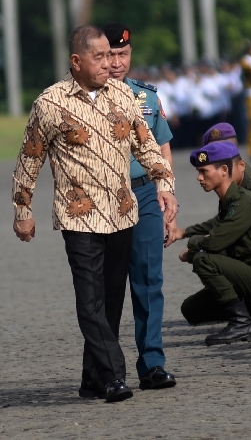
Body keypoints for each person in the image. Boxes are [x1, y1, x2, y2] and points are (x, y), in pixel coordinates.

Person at [12, 25, 177, 402]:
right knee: (90, 301)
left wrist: (164, 186)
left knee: (111, 300)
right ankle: (114, 375)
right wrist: (23, 209)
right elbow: (29, 160)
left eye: (112, 55)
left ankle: (92, 379)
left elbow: (147, 146)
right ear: (76, 61)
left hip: (122, 212)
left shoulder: (123, 94)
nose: (109, 64)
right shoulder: (50, 104)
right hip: (79, 217)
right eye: (100, 57)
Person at [101, 23, 177, 392]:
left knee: (149, 279)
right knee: (105, 285)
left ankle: (152, 363)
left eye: (124, 55)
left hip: (145, 192)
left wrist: (168, 191)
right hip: (103, 197)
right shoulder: (79, 98)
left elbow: (163, 148)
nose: (117, 63)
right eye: (110, 55)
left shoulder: (145, 96)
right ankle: (108, 367)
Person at [176, 123, 251, 335]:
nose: (199, 177)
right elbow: (221, 224)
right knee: (192, 310)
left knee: (206, 259)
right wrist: (185, 232)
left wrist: (194, 246)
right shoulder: (230, 192)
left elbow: (220, 239)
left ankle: (246, 318)